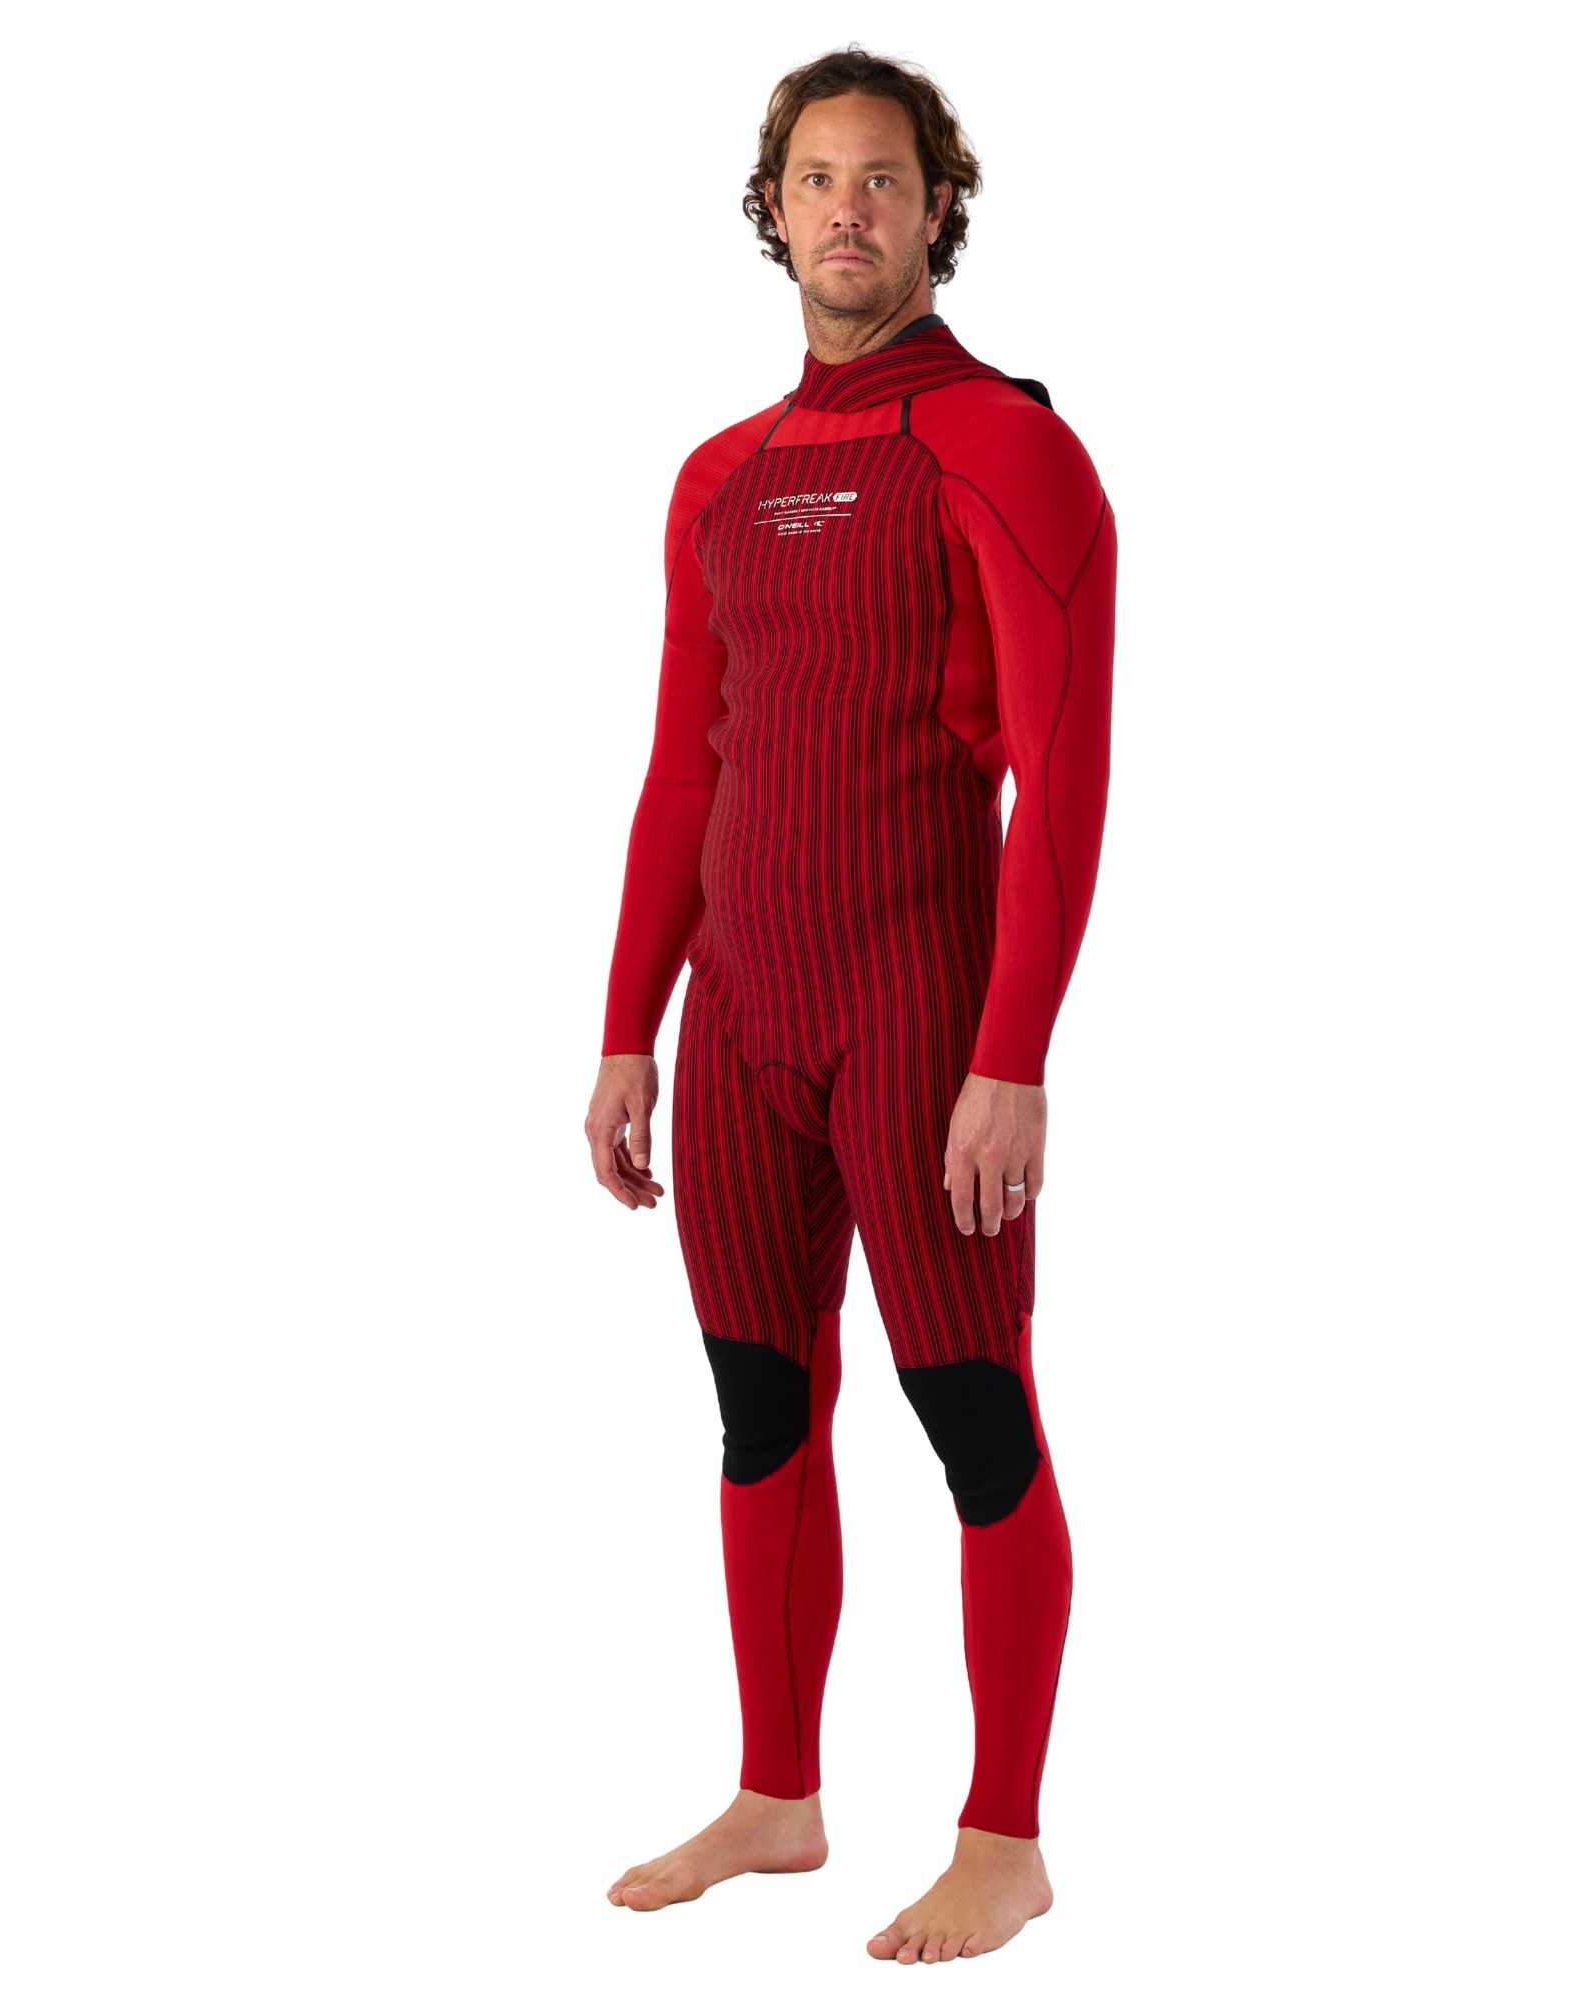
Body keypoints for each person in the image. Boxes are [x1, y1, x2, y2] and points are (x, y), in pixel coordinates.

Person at [583, 44, 1116, 1966]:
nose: (848, 210)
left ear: (938, 208)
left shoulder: (1004, 446)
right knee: (759, 1405)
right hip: (740, 1024)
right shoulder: (718, 479)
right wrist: (629, 1024)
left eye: (884, 179)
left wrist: (1011, 1058)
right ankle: (779, 1797)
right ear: (773, 208)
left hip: (922, 1013)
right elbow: (686, 767)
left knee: (975, 1413)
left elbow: (1063, 774)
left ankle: (1004, 1838)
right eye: (817, 179)